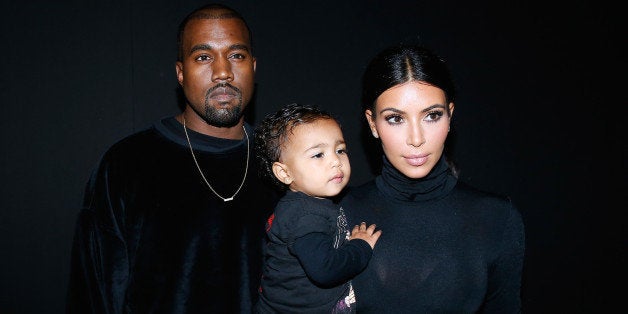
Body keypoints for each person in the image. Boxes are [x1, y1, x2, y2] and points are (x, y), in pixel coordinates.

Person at [66, 3, 279, 313]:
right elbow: (93, 293)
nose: (223, 72)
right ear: (180, 73)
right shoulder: (126, 166)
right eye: (203, 57)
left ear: (254, 68)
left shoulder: (284, 163)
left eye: (236, 55)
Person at [339, 44, 525, 313]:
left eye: (432, 116)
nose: (417, 139)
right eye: (395, 119)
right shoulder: (340, 213)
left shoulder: (497, 218)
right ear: (372, 124)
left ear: (450, 115)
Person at [253, 103, 382, 313]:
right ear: (285, 173)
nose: (335, 161)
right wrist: (361, 246)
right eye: (318, 155)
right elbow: (326, 270)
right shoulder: (304, 214)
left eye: (340, 150)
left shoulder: (311, 203)